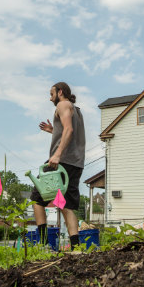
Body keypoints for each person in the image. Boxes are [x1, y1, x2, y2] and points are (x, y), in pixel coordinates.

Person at [32, 82, 86, 249]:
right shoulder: (76, 110)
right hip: (76, 163)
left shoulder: (62, 104)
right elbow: (68, 130)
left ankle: (43, 243)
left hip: (61, 162)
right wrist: (52, 130)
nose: (50, 98)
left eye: (52, 94)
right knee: (66, 206)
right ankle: (76, 248)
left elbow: (68, 130)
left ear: (60, 92)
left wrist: (57, 155)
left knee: (36, 199)